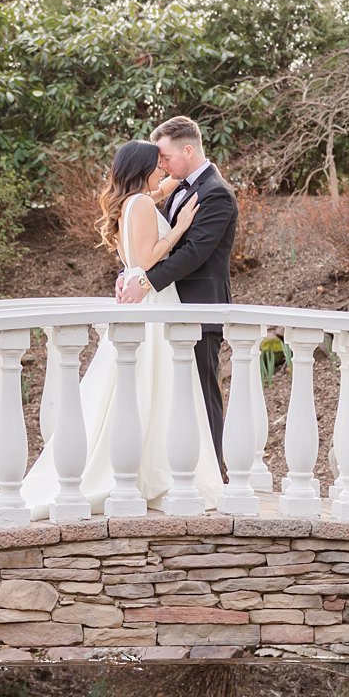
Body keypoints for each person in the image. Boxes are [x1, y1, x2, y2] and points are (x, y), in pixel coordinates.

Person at [0, 139, 224, 525]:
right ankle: (148, 470)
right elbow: (146, 258)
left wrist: (182, 182)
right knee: (151, 383)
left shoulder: (133, 201)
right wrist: (178, 229)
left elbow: (151, 209)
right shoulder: (141, 204)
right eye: (157, 163)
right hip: (153, 299)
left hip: (140, 295)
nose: (163, 168)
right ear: (143, 167)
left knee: (143, 385)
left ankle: (147, 466)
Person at [117, 116, 238, 471]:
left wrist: (145, 282)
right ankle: (172, 469)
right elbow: (146, 244)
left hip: (199, 310)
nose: (162, 164)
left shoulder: (216, 193)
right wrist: (131, 273)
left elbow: (194, 253)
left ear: (188, 149)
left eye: (166, 157)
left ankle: (215, 472)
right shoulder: (170, 191)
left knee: (202, 395)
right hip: (166, 306)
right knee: (166, 396)